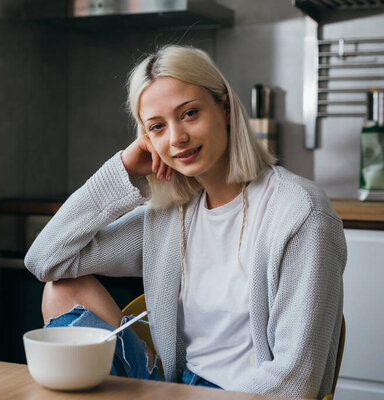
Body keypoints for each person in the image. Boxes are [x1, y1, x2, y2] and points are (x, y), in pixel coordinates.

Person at [24, 45, 346, 398]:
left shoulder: (300, 214)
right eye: (157, 127)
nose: (176, 138)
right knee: (62, 290)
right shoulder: (169, 217)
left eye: (189, 113)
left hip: (246, 394)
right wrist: (122, 170)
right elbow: (46, 259)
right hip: (176, 388)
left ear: (224, 108)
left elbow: (295, 380)